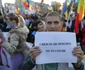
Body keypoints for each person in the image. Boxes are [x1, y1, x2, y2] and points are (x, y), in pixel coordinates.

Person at [20, 12, 84, 70]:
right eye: (49, 23)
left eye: (56, 22)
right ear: (45, 24)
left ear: (61, 24)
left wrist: (78, 63)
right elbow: (22, 68)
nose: (52, 26)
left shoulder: (68, 41)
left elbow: (79, 68)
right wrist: (32, 60)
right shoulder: (39, 42)